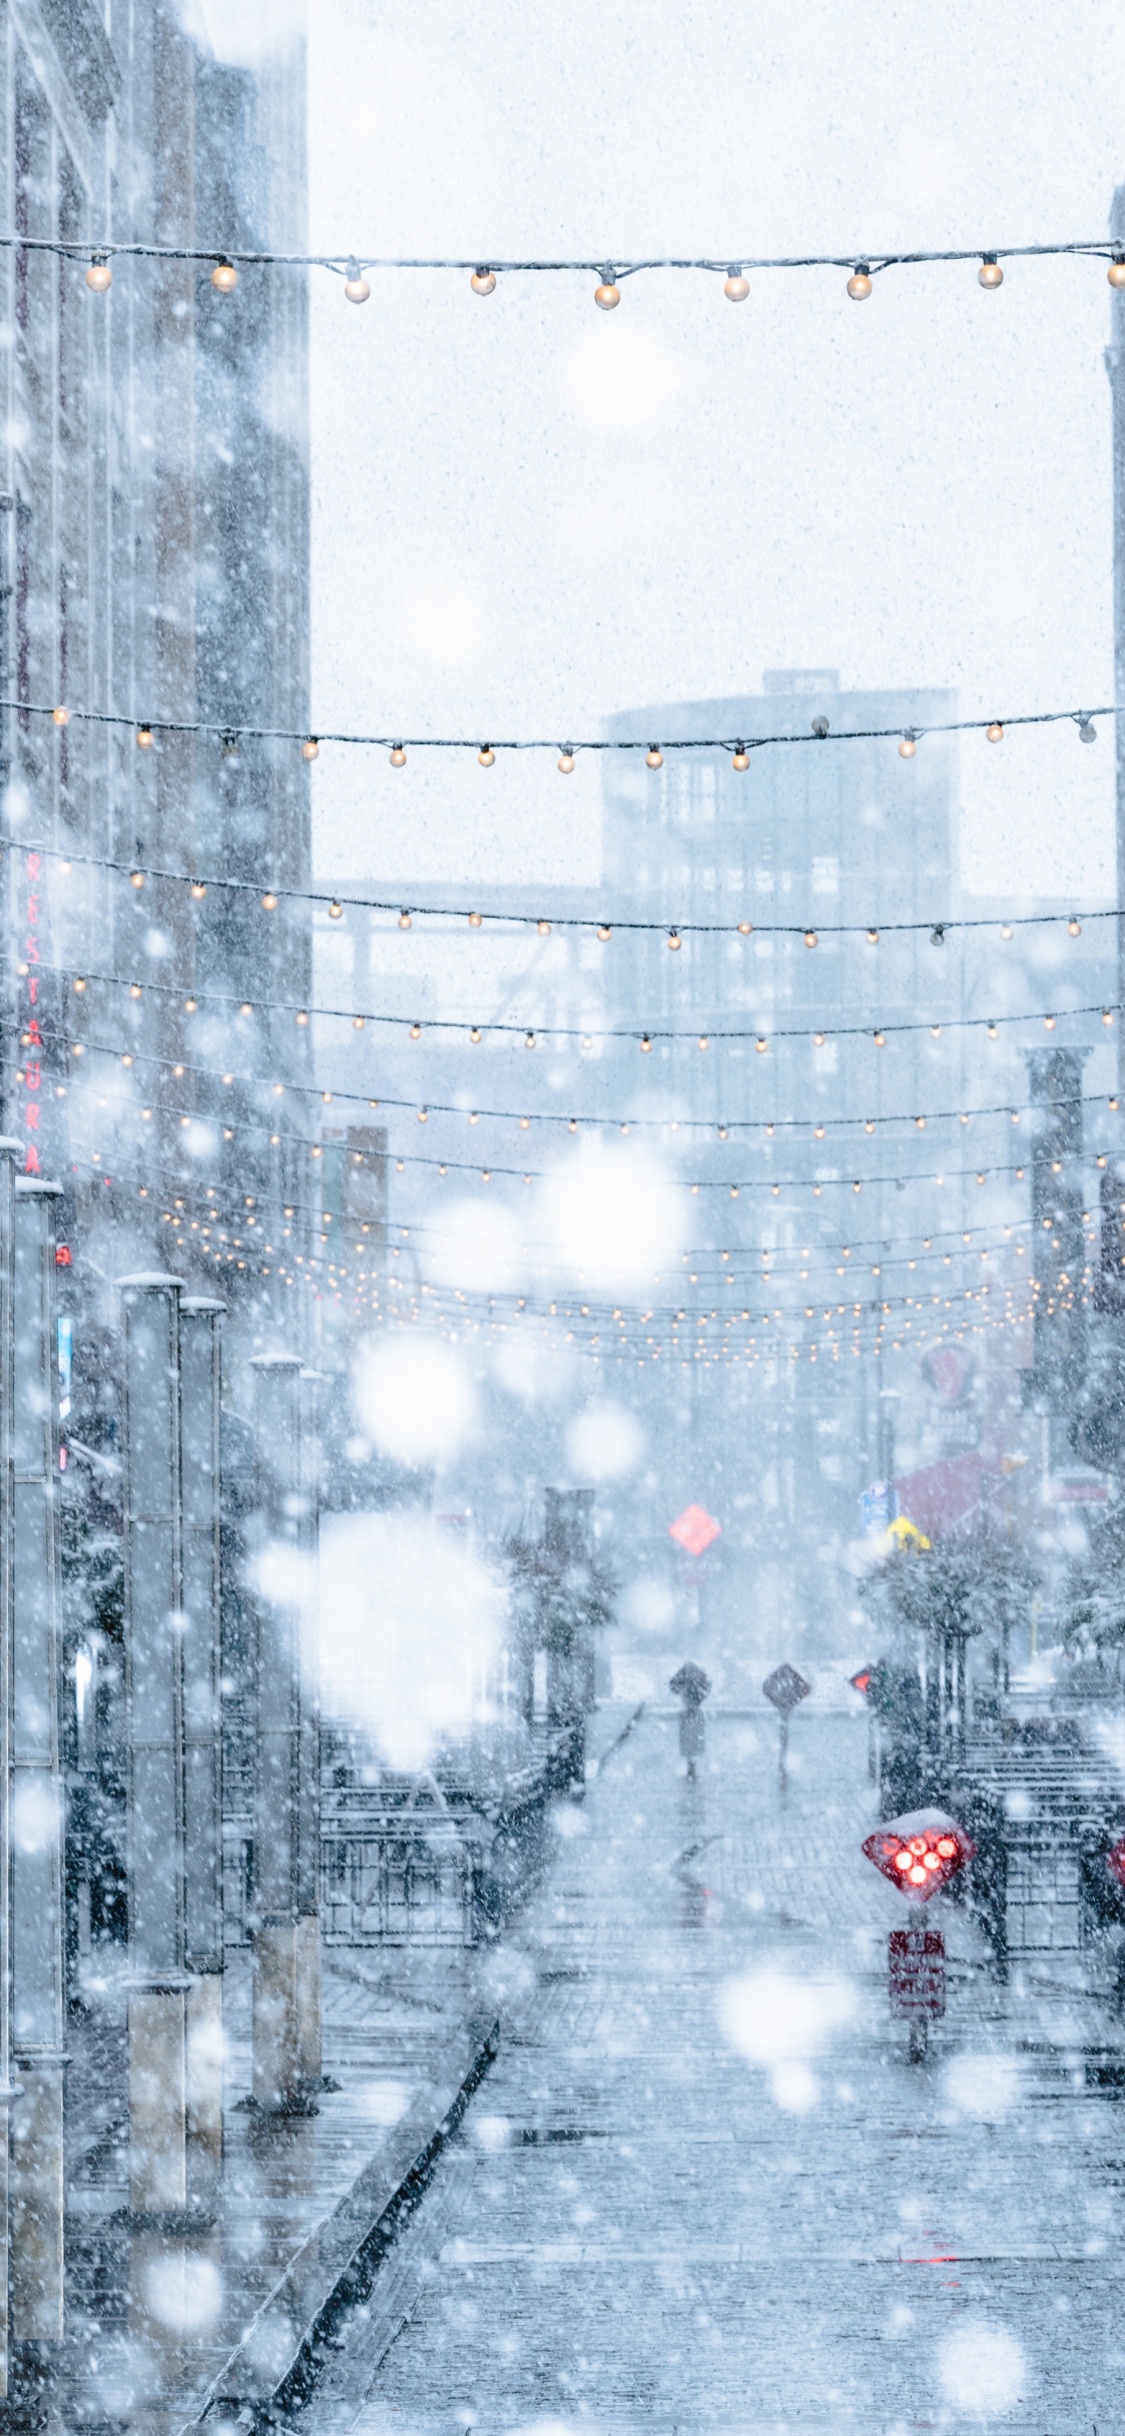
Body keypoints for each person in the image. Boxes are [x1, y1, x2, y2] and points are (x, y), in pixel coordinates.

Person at [669, 1660, 711, 1779]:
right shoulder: (699, 1677)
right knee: (693, 1742)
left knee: (689, 1743)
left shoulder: (687, 1674)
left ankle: (691, 1767)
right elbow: (706, 1687)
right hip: (693, 1711)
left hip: (689, 1712)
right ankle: (692, 1767)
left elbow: (673, 1686)